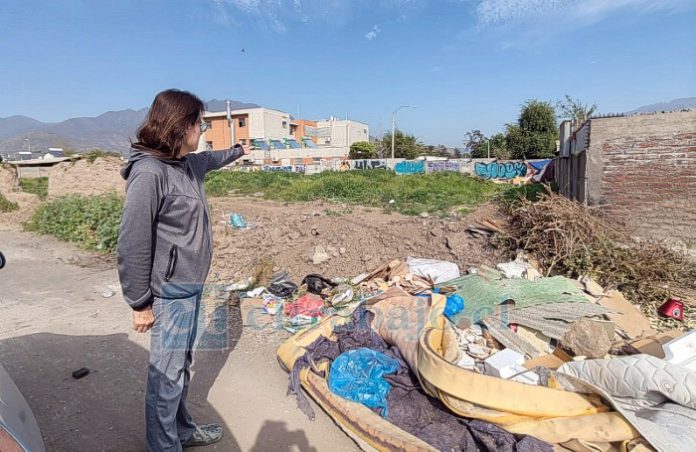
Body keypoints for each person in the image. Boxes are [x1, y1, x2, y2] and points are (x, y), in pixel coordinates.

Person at [117, 89, 250, 451]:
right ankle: (164, 445)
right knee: (166, 377)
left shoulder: (188, 164)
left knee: (181, 366)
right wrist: (139, 302)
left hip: (190, 287)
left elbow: (213, 157)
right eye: (199, 123)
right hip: (170, 293)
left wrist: (239, 152)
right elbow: (132, 242)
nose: (202, 130)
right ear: (180, 126)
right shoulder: (149, 173)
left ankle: (181, 431)